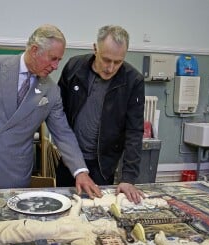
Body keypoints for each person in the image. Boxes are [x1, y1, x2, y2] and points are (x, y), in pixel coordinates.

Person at [0, 24, 101, 199]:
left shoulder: (51, 91)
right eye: (53, 59)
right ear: (34, 50)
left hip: (14, 173)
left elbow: (63, 133)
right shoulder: (1, 67)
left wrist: (80, 171)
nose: (55, 66)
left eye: (59, 60)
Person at [56, 25, 145, 204]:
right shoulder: (74, 67)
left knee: (96, 213)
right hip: (70, 161)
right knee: (65, 210)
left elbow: (134, 132)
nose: (111, 68)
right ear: (95, 48)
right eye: (106, 60)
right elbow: (57, 114)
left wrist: (128, 178)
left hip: (102, 165)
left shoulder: (133, 80)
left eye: (118, 62)